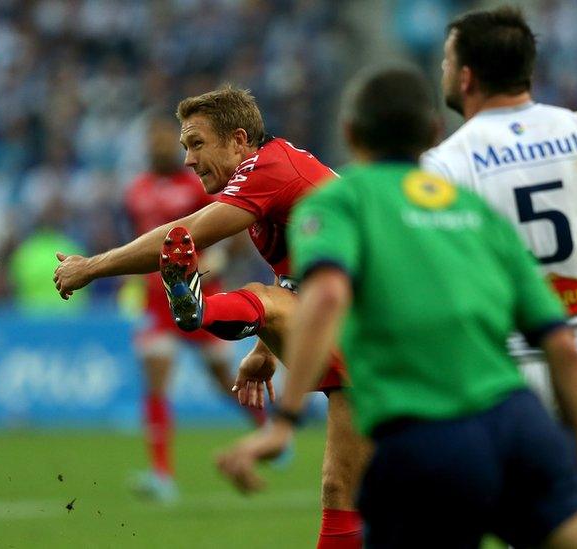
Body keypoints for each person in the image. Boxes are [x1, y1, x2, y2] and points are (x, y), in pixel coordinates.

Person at [222, 66, 577, 549]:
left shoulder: (338, 202)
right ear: (432, 134)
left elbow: (323, 298)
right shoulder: (474, 212)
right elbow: (561, 343)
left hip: (425, 436)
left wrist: (283, 423)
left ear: (349, 133)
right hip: (518, 424)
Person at [53, 87, 368, 548]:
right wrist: (264, 349)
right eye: (184, 147)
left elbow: (185, 234)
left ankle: (202, 309)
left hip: (384, 324)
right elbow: (301, 278)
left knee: (395, 491)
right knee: (343, 490)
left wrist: (90, 267)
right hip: (357, 319)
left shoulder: (270, 169)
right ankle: (207, 311)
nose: (187, 159)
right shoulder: (275, 180)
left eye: (197, 144)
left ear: (239, 141)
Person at [420, 6, 577, 547]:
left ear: (466, 76)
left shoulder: (445, 163)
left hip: (511, 379)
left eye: (446, 61)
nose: (443, 72)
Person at [124, 116, 267, 502]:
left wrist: (217, 260)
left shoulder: (194, 185)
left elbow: (233, 225)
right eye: (151, 140)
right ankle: (162, 475)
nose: (157, 147)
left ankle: (269, 430)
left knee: (224, 381)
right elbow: (137, 242)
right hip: (156, 302)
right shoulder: (136, 191)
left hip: (201, 296)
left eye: (162, 140)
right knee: (155, 380)